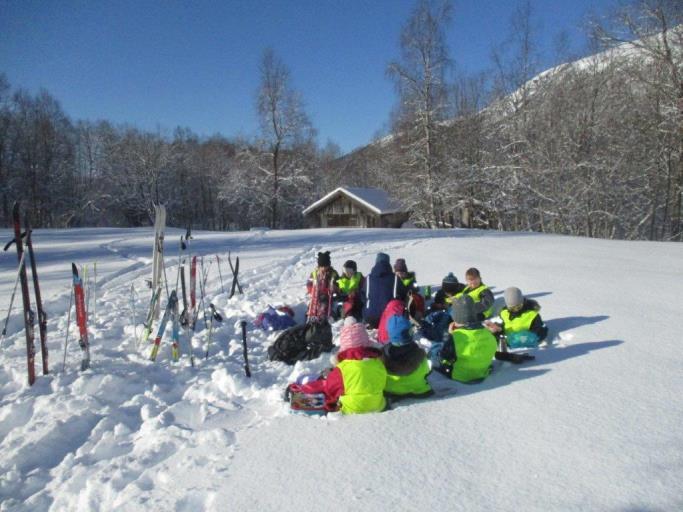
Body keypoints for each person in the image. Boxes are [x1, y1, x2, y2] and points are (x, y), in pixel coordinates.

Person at [287, 318, 387, 414]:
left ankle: (294, 398)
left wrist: (299, 388)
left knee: (320, 399)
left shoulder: (342, 370)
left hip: (350, 409)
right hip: (377, 406)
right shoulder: (378, 364)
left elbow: (329, 389)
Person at [435, 295, 498, 383]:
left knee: (435, 351)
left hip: (460, 376)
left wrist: (449, 336)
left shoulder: (455, 337)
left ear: (456, 317)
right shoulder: (488, 333)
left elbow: (445, 355)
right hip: (483, 373)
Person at [382, 315, 433, 399]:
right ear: (410, 332)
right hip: (417, 389)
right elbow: (426, 370)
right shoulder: (419, 352)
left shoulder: (383, 353)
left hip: (390, 389)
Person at [362, 253, 403, 328]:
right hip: (389, 317)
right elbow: (402, 294)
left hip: (370, 317)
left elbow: (363, 296)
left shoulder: (368, 278)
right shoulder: (395, 278)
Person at [306, 251, 339, 322]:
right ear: (319, 266)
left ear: (329, 265)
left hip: (328, 295)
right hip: (316, 294)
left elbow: (338, 284)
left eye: (325, 266)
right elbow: (309, 283)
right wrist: (311, 290)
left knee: (323, 306)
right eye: (322, 266)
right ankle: (310, 318)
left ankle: (322, 318)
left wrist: (335, 288)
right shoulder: (314, 273)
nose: (324, 268)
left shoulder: (333, 274)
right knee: (311, 306)